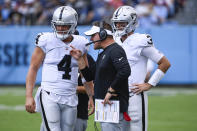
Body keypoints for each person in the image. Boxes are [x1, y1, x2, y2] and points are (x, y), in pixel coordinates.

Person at [25, 6, 94, 131]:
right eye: (58, 25)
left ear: (73, 25)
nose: (60, 28)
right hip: (49, 93)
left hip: (71, 96)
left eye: (65, 25)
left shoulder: (81, 43)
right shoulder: (45, 40)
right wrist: (29, 96)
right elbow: (33, 68)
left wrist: (91, 96)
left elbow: (85, 75)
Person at [111, 5, 171, 131]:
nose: (118, 26)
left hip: (134, 95)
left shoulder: (140, 40)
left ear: (131, 23)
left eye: (122, 23)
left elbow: (165, 63)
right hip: (115, 95)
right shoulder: (114, 40)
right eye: (116, 23)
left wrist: (149, 84)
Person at [70, 20, 131, 131]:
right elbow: (90, 76)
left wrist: (111, 91)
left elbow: (125, 70)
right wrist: (80, 59)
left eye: (93, 35)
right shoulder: (104, 53)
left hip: (114, 106)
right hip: (106, 106)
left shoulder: (115, 50)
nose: (91, 39)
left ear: (103, 34)